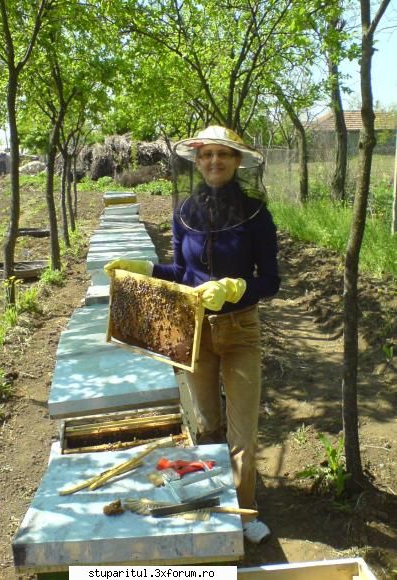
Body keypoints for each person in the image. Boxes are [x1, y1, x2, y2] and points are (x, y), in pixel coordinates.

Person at [104, 126, 280, 544]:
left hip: (240, 332)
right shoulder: (184, 212)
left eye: (223, 155)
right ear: (197, 162)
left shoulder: (256, 214)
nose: (214, 161)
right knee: (207, 424)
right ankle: (210, 502)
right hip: (194, 329)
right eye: (207, 156)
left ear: (238, 162)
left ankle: (243, 514)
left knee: (242, 433)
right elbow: (182, 275)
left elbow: (270, 280)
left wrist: (236, 288)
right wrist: (146, 269)